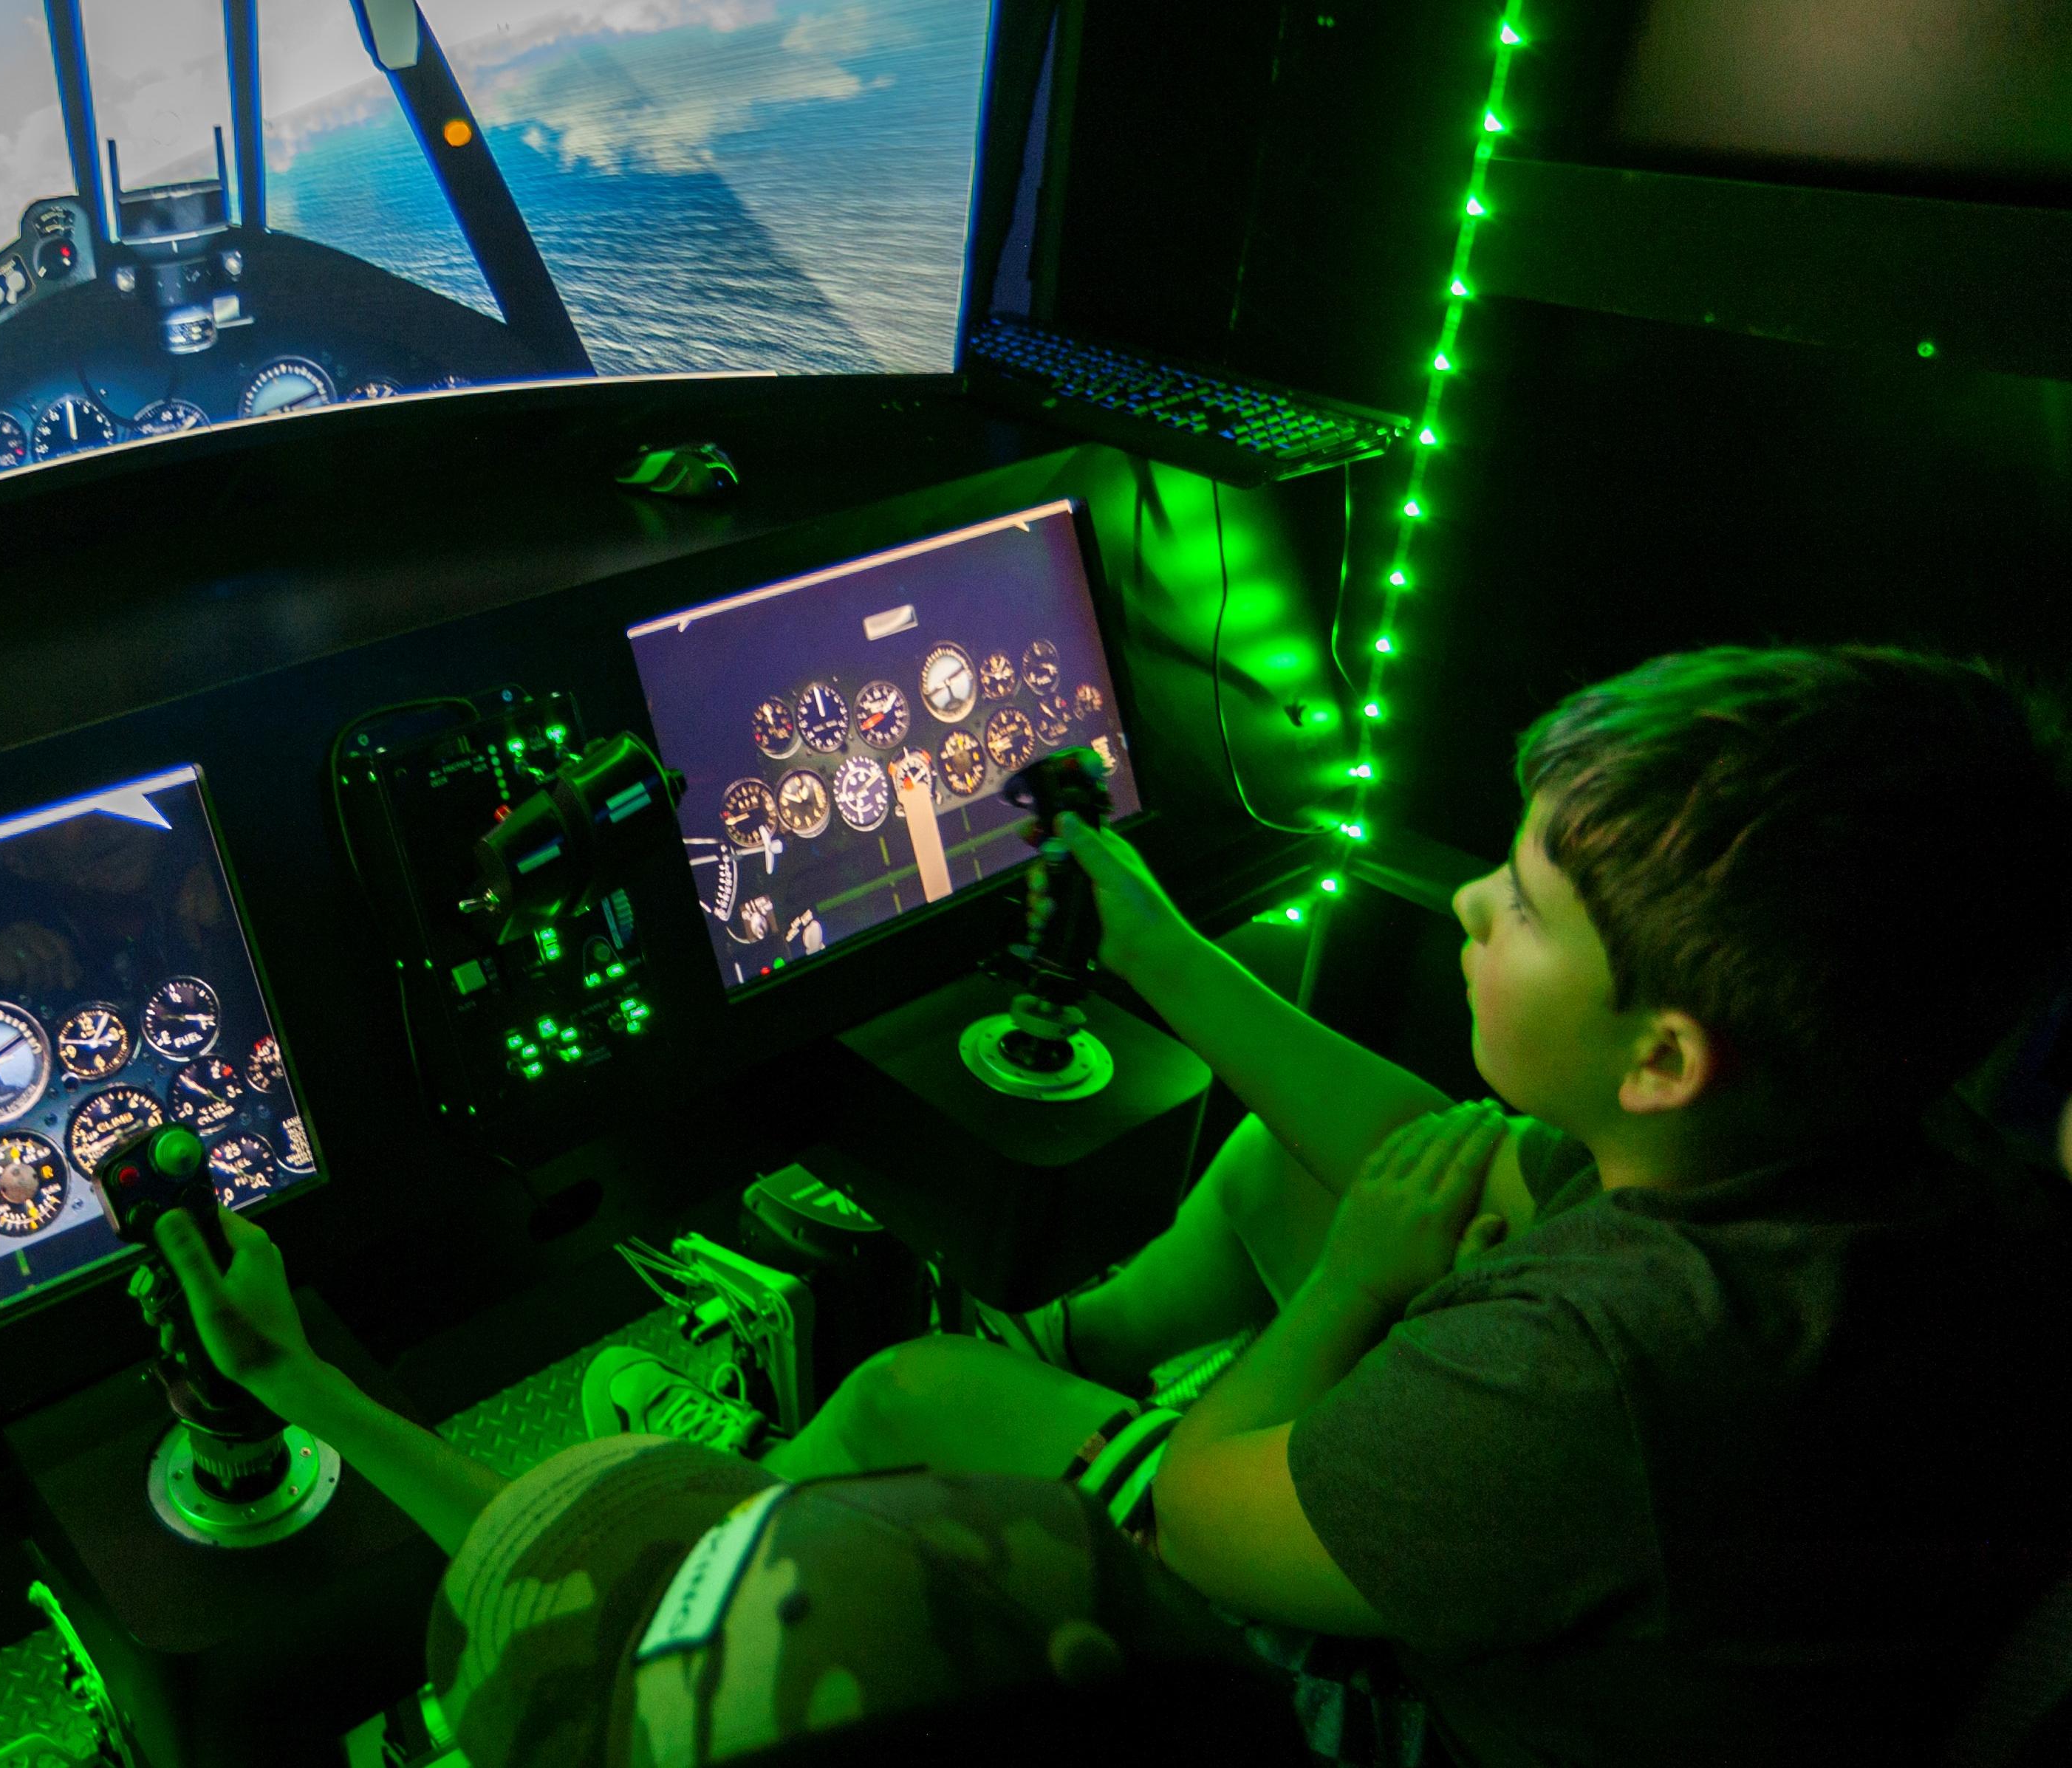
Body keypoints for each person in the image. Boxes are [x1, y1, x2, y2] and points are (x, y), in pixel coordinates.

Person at [160, 645, 2072, 1767]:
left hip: (1429, 1717)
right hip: (1721, 1649)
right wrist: (1154, 945)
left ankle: (750, 1534)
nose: (1474, 906)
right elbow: (1448, 1160)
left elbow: (1220, 1523)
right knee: (1282, 1163)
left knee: (910, 1412)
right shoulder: (1863, 1161)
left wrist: (1348, 1306)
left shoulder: (1600, 1373)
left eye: (1527, 900)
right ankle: (1044, 1356)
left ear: (1660, 1053)